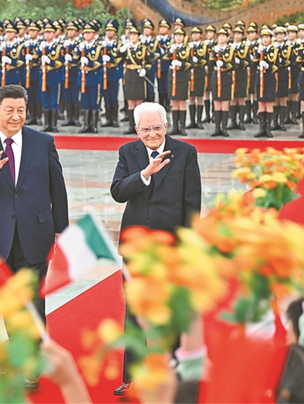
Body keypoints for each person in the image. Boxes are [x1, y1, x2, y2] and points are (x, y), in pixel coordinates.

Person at [0, 85, 69, 388]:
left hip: (36, 233)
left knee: (32, 301)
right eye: (9, 110)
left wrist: (61, 228)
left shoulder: (43, 142)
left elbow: (57, 188)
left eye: (21, 110)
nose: (16, 116)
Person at [110, 102, 202, 396]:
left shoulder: (185, 152)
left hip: (171, 245)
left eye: (157, 128)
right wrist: (144, 174)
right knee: (135, 311)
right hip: (136, 246)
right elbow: (117, 191)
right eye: (146, 129)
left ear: (167, 125)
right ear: (137, 129)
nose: (152, 134)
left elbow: (192, 203)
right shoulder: (128, 152)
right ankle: (133, 377)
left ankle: (173, 372)